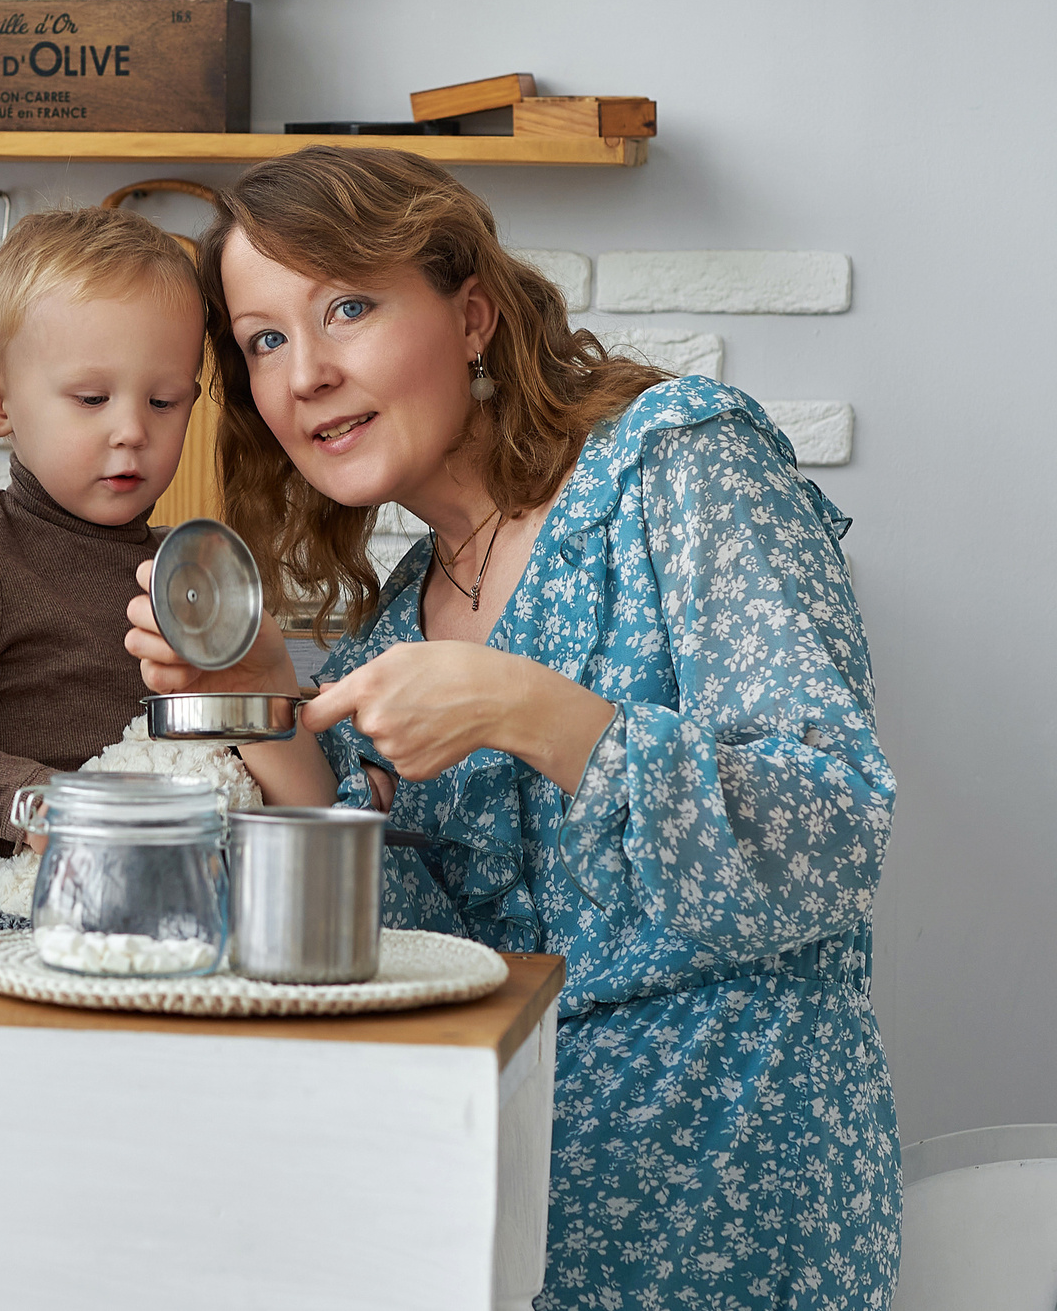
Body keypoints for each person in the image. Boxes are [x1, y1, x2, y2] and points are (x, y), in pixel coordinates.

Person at [129, 146, 899, 1307]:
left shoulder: (677, 463)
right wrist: (269, 698)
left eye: (347, 305)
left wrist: (530, 708)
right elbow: (392, 946)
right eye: (265, 340)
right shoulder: (400, 616)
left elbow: (833, 829)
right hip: (494, 1188)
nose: (307, 373)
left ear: (472, 313)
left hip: (727, 1185)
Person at [0, 206, 284, 862]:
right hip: (21, 918)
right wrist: (24, 796)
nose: (132, 429)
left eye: (163, 401)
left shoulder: (189, 576)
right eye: (92, 398)